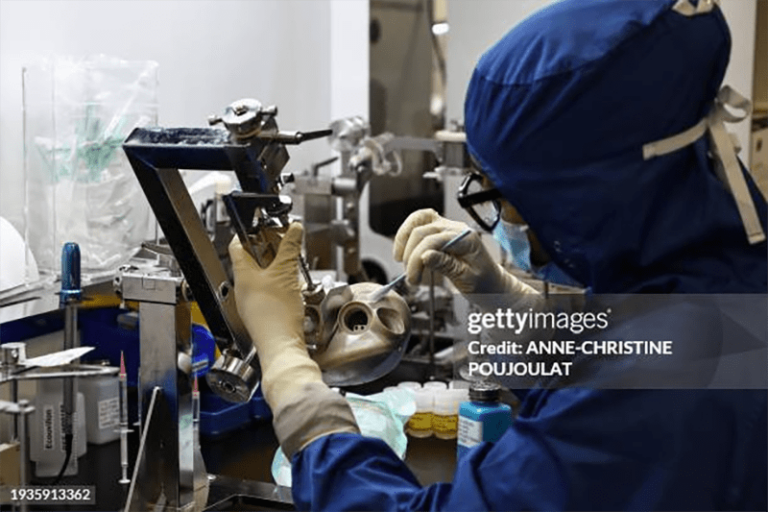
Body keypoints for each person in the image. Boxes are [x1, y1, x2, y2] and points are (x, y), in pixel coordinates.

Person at [229, 0, 768, 510]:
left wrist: (288, 373)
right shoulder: (724, 260)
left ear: (584, 198)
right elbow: (620, 360)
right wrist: (502, 302)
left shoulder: (672, 383)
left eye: (500, 195)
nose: (501, 220)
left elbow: (620, 402)